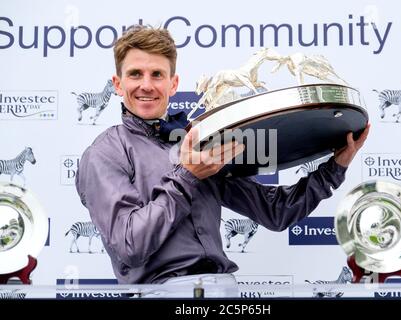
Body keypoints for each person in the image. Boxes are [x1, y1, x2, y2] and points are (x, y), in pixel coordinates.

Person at [75, 25, 370, 296]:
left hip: (225, 292)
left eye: (157, 75)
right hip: (162, 292)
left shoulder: (197, 143)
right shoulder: (104, 153)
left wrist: (335, 168)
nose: (147, 85)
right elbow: (129, 246)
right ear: (117, 83)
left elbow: (276, 211)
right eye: (135, 74)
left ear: (173, 83)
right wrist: (187, 175)